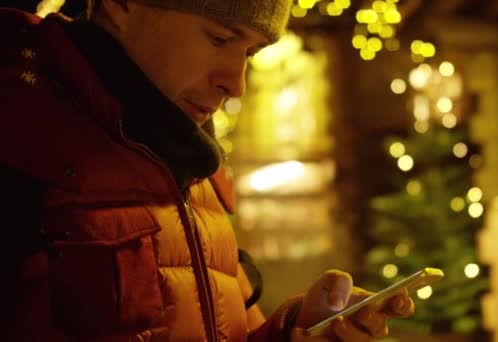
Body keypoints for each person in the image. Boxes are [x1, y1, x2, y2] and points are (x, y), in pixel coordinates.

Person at [0, 0, 415, 340]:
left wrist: (300, 331)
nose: (236, 84)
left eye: (250, 53)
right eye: (219, 38)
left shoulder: (196, 167)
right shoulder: (18, 128)